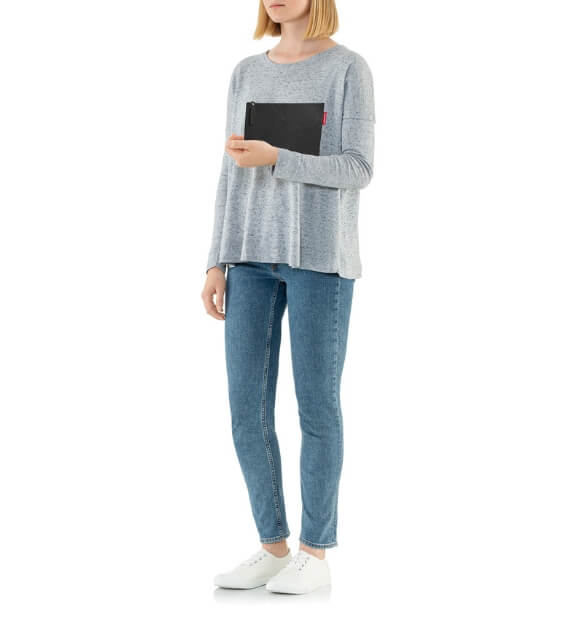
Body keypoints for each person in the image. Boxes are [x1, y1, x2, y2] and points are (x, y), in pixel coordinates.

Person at [201, 0, 375, 594]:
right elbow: (229, 172)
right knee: (245, 409)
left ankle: (315, 553)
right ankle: (273, 547)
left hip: (320, 259)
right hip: (248, 255)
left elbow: (359, 168)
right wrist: (215, 259)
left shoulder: (348, 68)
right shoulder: (246, 72)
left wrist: (278, 157)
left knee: (316, 407)